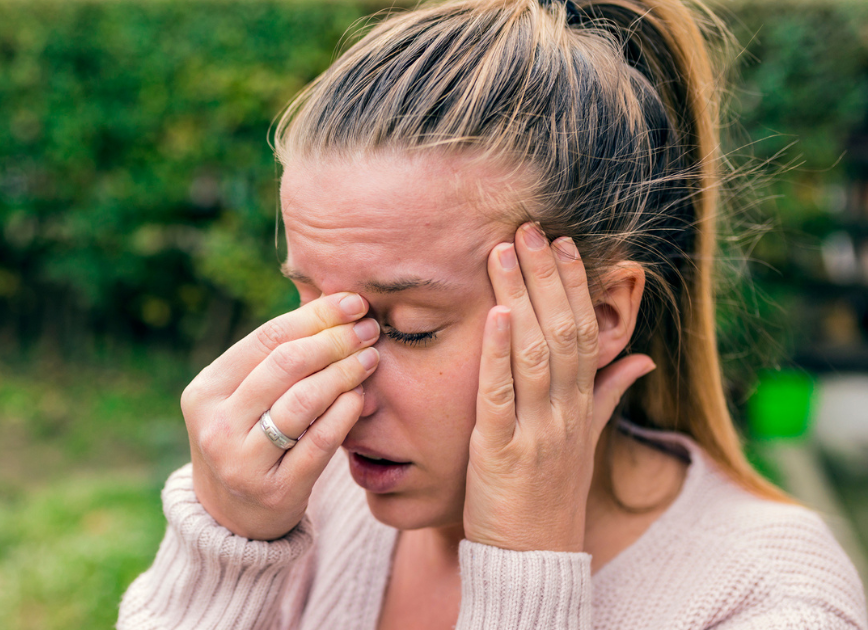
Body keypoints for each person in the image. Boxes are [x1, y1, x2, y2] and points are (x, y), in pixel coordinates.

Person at [119, 0, 868, 627]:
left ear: (601, 316)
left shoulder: (770, 602)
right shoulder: (308, 499)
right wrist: (225, 547)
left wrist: (524, 568)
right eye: (311, 306)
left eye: (410, 323)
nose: (335, 394)